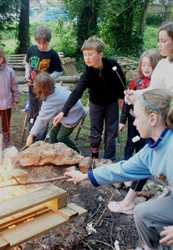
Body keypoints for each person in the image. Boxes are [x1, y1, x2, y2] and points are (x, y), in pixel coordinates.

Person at [64, 88, 173, 250]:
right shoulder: (151, 152)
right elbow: (121, 169)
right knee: (143, 212)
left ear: (152, 119)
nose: (134, 123)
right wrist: (84, 176)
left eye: (136, 117)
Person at [53, 35, 125, 162]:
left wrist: (122, 97)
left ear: (100, 54)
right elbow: (76, 93)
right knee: (95, 132)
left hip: (111, 103)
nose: (87, 57)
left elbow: (121, 83)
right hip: (96, 104)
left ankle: (110, 159)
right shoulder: (87, 74)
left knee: (111, 132)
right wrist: (63, 111)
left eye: (90, 54)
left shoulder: (112, 65)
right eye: (85, 54)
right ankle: (95, 158)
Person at [108, 50, 160, 215]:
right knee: (130, 144)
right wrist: (123, 121)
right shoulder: (134, 83)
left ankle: (137, 174)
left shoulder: (158, 84)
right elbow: (127, 105)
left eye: (149, 65)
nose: (146, 68)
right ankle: (127, 172)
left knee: (143, 149)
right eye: (143, 64)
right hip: (133, 120)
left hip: (148, 124)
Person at [26, 72, 85, 153]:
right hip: (63, 114)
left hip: (74, 114)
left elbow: (42, 120)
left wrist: (31, 136)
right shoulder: (53, 88)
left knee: (61, 137)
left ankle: (77, 152)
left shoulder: (51, 101)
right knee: (52, 134)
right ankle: (57, 152)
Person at [25, 25, 63, 142]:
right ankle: (32, 137)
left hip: (45, 92)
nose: (41, 46)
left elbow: (59, 71)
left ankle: (40, 140)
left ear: (48, 41)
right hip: (32, 89)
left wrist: (46, 79)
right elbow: (28, 63)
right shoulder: (31, 50)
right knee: (32, 114)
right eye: (39, 43)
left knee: (43, 114)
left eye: (44, 43)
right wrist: (27, 75)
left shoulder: (53, 54)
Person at [125, 22, 173, 104]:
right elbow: (152, 90)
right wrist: (135, 94)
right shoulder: (163, 63)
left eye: (163, 41)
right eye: (158, 41)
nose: (159, 45)